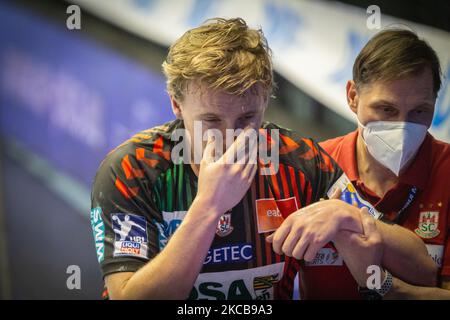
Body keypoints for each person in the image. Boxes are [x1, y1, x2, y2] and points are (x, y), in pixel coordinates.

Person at [90, 18, 434, 300]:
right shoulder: (132, 169)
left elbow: (422, 267)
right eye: (211, 120)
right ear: (176, 105)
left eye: (246, 119)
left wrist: (351, 216)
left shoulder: (300, 161)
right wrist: (208, 207)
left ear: (265, 103)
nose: (232, 137)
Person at [308, 28, 450, 299]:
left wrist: (382, 284)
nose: (402, 127)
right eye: (386, 110)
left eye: (419, 111)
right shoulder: (314, 166)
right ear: (353, 97)